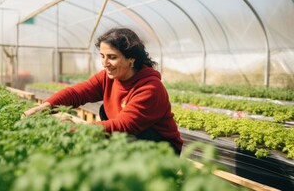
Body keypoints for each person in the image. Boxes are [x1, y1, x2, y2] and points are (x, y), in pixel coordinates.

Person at [23, 27, 183, 155]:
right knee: (104, 110)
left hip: (162, 149)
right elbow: (77, 93)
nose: (104, 63)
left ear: (131, 59)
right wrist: (44, 107)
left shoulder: (150, 88)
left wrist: (75, 130)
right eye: (102, 56)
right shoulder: (108, 77)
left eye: (112, 57)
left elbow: (124, 126)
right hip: (133, 138)